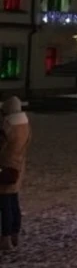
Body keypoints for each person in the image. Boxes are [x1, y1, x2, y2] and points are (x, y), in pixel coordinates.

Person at [0, 96, 31, 250]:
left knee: (5, 204)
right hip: (19, 166)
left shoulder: (8, 125)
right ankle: (14, 233)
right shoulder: (25, 124)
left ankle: (5, 237)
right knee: (14, 202)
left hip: (5, 167)